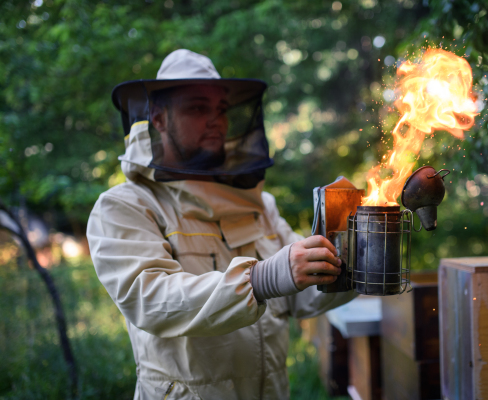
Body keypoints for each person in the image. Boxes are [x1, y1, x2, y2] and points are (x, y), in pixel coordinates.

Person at [87, 49, 357, 399]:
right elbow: (150, 299)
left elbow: (299, 298)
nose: (216, 120)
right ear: (159, 118)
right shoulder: (125, 207)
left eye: (221, 109)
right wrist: (261, 279)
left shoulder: (259, 203)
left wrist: (361, 259)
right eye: (198, 108)